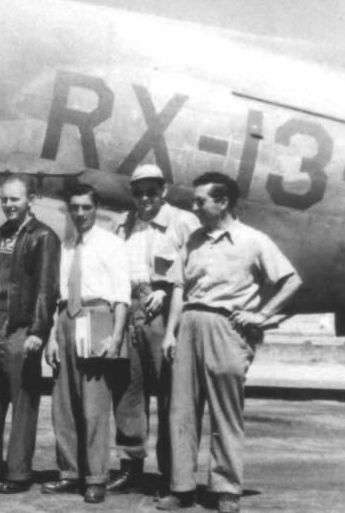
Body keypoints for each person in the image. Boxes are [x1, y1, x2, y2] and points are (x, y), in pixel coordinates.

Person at [158, 172, 301, 513]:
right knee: (181, 410)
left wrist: (263, 316)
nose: (194, 207)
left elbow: (291, 280)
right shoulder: (192, 240)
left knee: (226, 412)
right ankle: (181, 488)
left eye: (200, 201)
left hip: (228, 328)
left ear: (223, 202)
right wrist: (169, 332)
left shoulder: (253, 240)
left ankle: (226, 489)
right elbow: (179, 287)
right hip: (189, 323)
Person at [108, 165, 200, 495]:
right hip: (128, 307)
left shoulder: (184, 221)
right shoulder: (124, 222)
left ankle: (171, 474)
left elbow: (196, 266)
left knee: (169, 394)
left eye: (151, 191)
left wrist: (166, 288)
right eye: (138, 191)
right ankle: (130, 466)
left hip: (162, 311)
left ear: (164, 191)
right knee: (127, 392)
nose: (144, 198)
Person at [43, 183, 130, 504]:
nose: (80, 213)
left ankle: (95, 477)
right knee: (63, 404)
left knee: (94, 405)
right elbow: (58, 298)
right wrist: (53, 336)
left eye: (86, 207)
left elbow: (122, 295)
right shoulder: (66, 246)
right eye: (75, 207)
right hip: (67, 320)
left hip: (96, 318)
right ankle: (69, 473)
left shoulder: (111, 244)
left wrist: (116, 336)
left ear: (96, 209)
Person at [0, 174, 59, 494]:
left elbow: (46, 287)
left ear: (31, 199)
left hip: (21, 327)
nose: (8, 204)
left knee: (23, 402)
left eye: (15, 199)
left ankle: (18, 473)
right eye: (4, 198)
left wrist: (39, 330)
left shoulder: (43, 236)